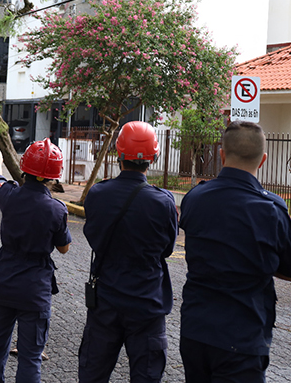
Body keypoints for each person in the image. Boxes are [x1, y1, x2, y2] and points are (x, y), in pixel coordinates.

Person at [179, 120, 291, 383]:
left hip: (196, 331)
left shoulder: (194, 198)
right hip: (242, 338)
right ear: (263, 160)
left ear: (222, 155)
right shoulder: (272, 210)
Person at [78, 121, 178, 383]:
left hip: (106, 303)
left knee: (93, 374)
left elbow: (93, 237)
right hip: (147, 304)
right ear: (154, 157)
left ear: (118, 153)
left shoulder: (98, 194)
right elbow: (167, 250)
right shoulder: (163, 202)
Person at [0, 139, 72, 383]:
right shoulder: (57, 209)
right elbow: (63, 248)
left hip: (3, 282)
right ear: (53, 177)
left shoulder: (9, 195)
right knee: (30, 357)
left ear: (24, 169)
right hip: (35, 289)